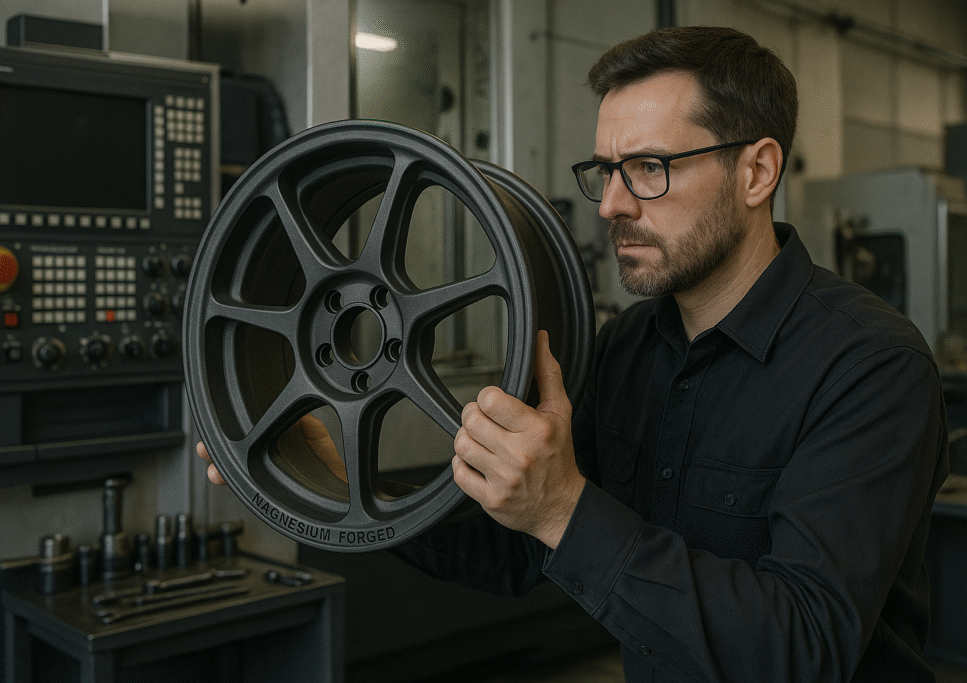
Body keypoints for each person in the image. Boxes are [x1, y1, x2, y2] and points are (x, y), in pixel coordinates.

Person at [200, 26, 948, 682]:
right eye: (604, 169)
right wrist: (335, 483)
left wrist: (565, 508)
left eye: (650, 167)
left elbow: (803, 649)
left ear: (756, 172)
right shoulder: (627, 349)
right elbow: (513, 548)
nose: (612, 205)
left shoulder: (870, 369)